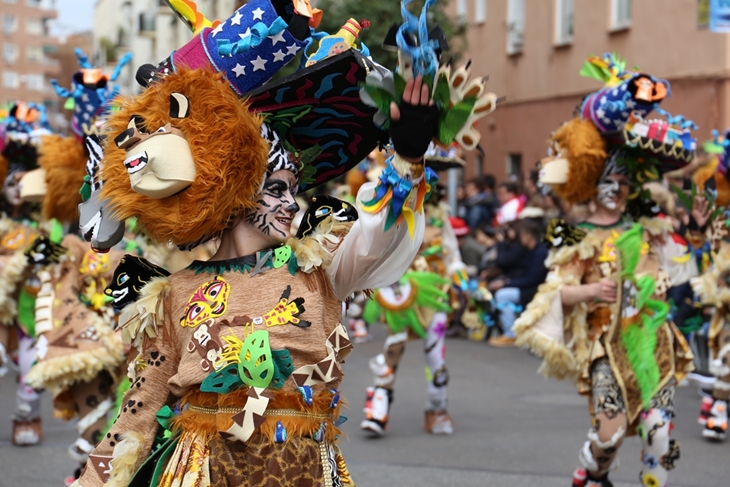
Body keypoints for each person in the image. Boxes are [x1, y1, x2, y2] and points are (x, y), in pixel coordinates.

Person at [68, 0, 496, 484]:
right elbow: (138, 411)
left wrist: (409, 157)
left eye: (295, 189)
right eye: (277, 189)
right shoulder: (173, 293)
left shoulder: (318, 266)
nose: (293, 203)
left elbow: (378, 233)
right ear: (232, 191)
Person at [514, 54, 696, 487]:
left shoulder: (647, 228)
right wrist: (593, 289)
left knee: (658, 434)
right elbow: (554, 293)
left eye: (624, 184)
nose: (617, 192)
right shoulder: (570, 233)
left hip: (653, 340)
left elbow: (682, 268)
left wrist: (670, 267)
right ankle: (591, 472)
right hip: (605, 347)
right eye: (608, 184)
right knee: (608, 437)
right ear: (592, 184)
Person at [487, 219, 547, 347]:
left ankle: (510, 334)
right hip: (527, 286)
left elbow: (532, 279)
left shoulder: (540, 252)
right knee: (502, 294)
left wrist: (506, 284)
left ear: (527, 235)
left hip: (535, 289)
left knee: (502, 295)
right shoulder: (531, 250)